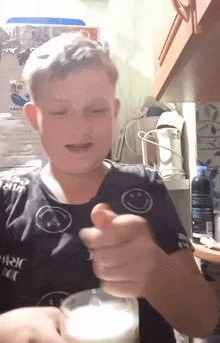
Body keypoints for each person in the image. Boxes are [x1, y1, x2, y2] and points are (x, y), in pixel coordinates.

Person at [0, 32, 218, 343]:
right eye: (61, 111)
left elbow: (202, 322)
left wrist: (157, 273)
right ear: (35, 118)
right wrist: (6, 328)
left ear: (114, 112)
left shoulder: (145, 185)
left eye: (97, 109)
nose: (80, 127)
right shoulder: (8, 196)